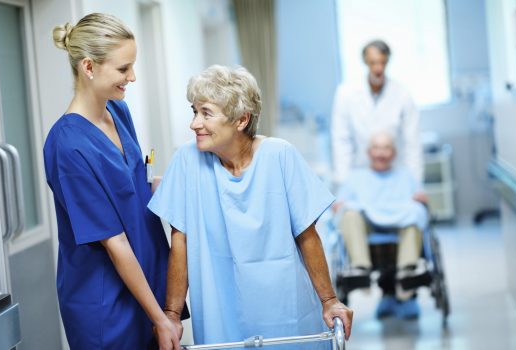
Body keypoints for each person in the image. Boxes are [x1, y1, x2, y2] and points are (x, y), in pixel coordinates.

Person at [148, 65, 353, 348]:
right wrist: (171, 315)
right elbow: (179, 242)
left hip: (286, 312)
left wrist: (330, 301)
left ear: (241, 119)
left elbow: (307, 236)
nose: (194, 123)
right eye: (193, 112)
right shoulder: (187, 161)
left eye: (205, 113)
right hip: (221, 313)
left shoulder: (279, 156)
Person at [44, 13, 186, 349]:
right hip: (104, 304)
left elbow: (134, 185)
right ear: (89, 67)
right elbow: (114, 242)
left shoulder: (118, 111)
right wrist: (159, 318)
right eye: (123, 69)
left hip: (146, 280)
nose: (132, 77)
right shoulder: (67, 146)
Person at [334, 131, 428, 319]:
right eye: (376, 148)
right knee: (349, 214)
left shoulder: (405, 175)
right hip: (367, 228)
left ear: (393, 153)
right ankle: (361, 269)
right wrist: (339, 207)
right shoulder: (356, 177)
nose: (381, 153)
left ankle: (406, 272)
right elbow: (338, 206)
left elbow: (420, 200)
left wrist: (422, 201)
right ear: (369, 153)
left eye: (386, 148)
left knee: (416, 212)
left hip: (399, 227)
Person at [331, 39, 424, 186]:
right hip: (360, 172)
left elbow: (412, 143)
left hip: (394, 174)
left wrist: (415, 184)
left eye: (382, 62)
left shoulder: (402, 94)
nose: (378, 68)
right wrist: (342, 183)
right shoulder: (345, 94)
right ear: (365, 62)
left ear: (388, 61)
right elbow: (341, 141)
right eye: (373, 63)